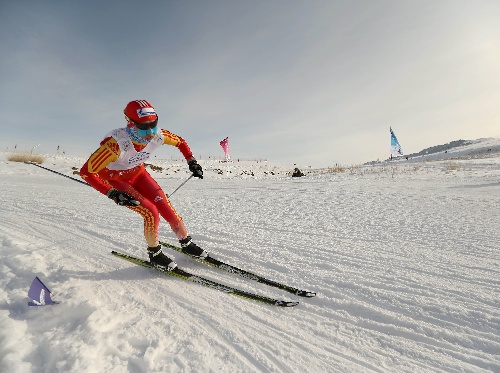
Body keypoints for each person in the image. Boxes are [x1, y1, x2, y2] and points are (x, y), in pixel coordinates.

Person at [80, 99, 207, 271]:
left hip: (139, 175)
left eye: (153, 126)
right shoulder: (114, 145)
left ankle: (186, 243)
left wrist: (191, 161)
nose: (150, 133)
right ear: (131, 124)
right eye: (144, 128)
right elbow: (86, 172)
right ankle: (155, 254)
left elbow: (181, 142)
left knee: (166, 207)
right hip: (116, 180)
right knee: (151, 212)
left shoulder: (158, 135)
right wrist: (112, 193)